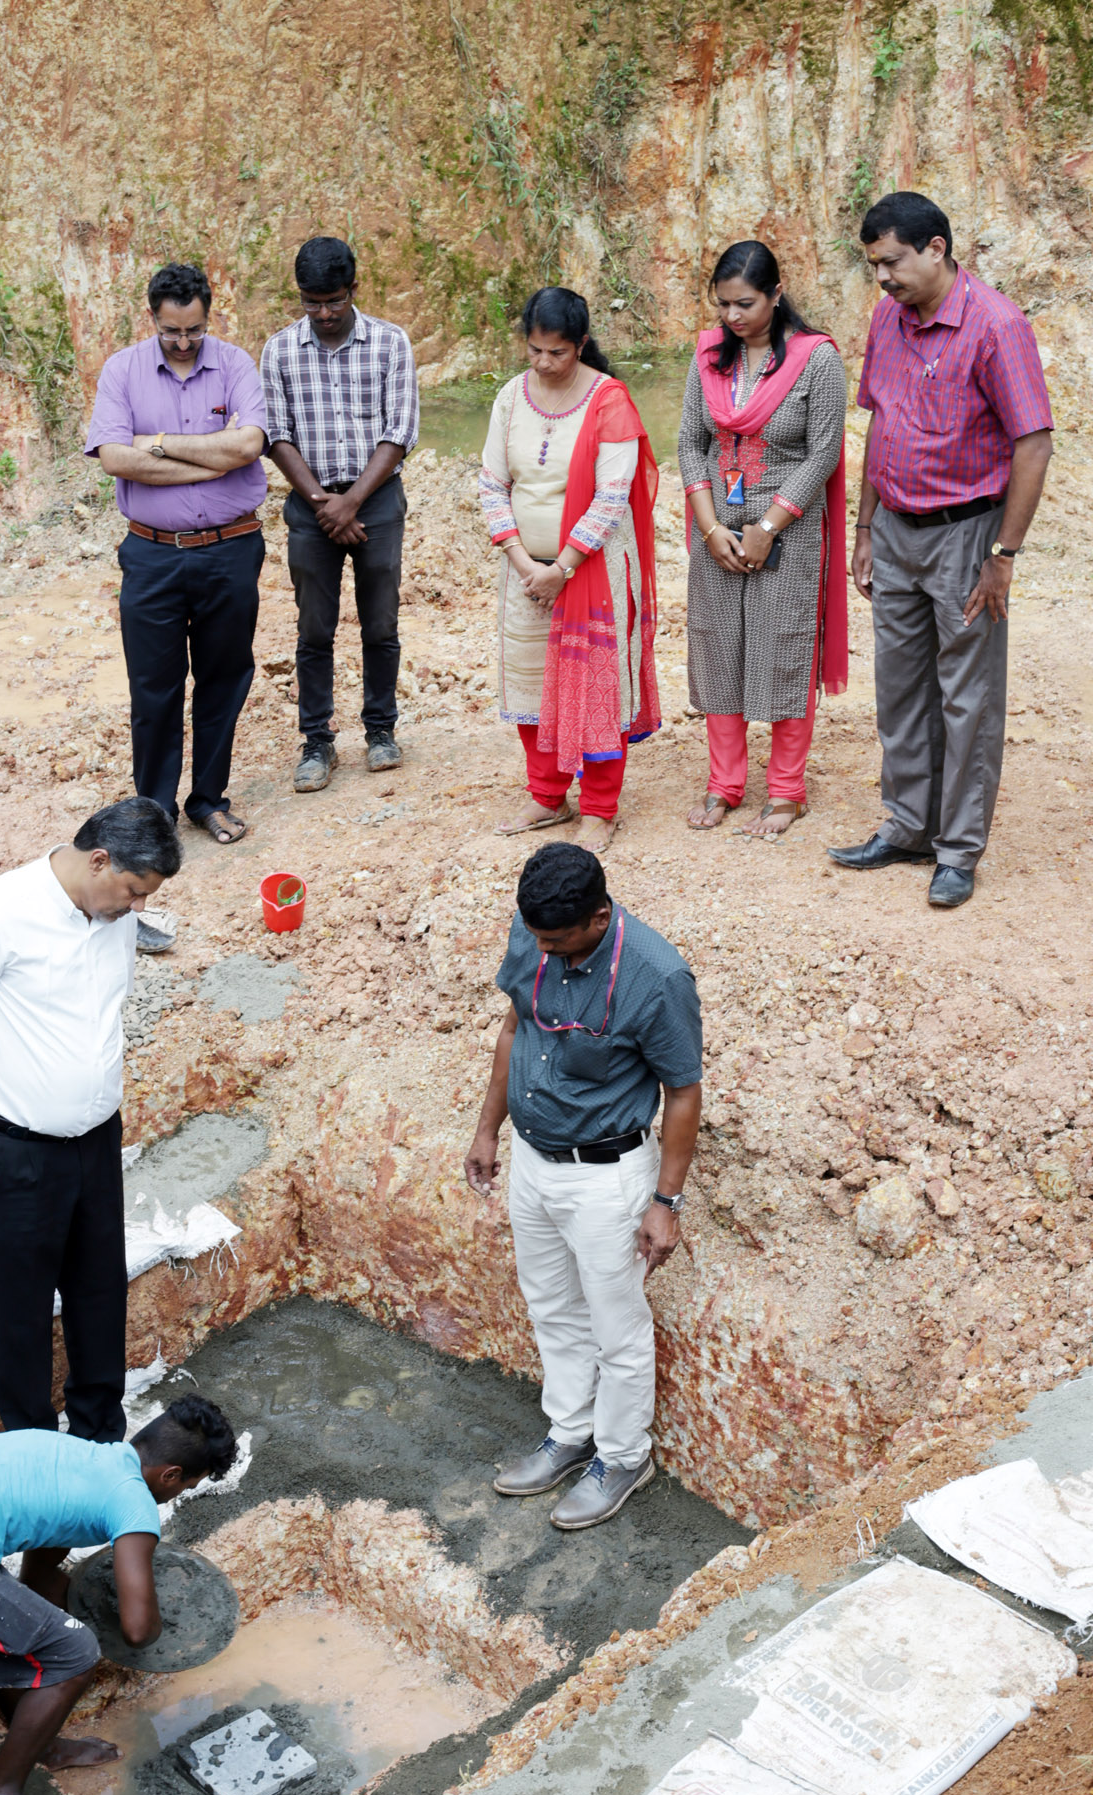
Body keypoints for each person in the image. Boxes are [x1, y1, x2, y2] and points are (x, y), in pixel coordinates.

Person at [0, 799, 181, 1443]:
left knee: (98, 1290)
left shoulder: (108, 911)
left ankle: (97, 1437)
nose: (138, 908)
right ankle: (33, 1450)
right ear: (98, 859)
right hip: (12, 1149)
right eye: (133, 890)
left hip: (94, 1140)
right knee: (22, 1307)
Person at [464, 843, 702, 1530]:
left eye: (559, 944)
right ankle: (570, 1433)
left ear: (598, 919)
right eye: (536, 939)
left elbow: (682, 1093)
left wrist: (666, 1202)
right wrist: (488, 1130)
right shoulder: (537, 927)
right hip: (535, 1163)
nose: (544, 952)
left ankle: (624, 1456)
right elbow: (515, 1026)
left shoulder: (657, 978)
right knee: (551, 1306)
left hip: (608, 1178)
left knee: (616, 1328)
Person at [831, 191, 1054, 907]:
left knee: (966, 698)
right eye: (874, 266)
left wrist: (1004, 555)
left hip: (967, 536)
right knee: (900, 690)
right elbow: (880, 426)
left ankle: (957, 851)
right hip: (895, 531)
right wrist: (865, 529)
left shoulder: (996, 326)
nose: (884, 278)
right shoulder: (888, 319)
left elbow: (1033, 443)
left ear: (935, 249)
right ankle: (907, 827)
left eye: (892, 261)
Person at [0, 1396, 236, 1795]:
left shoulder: (85, 1459)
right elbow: (140, 1631)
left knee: (17, 1632)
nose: (174, 1498)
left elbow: (36, 1577)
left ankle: (46, 1747)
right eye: (185, 1488)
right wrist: (167, 1617)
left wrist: (76, 1611)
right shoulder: (133, 1502)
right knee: (75, 1653)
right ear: (171, 1474)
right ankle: (3, 1791)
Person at [86, 262, 268, 845]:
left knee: (223, 676)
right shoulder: (122, 370)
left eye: (194, 330)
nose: (185, 342)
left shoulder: (236, 364)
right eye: (172, 332)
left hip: (230, 549)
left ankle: (209, 798)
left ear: (208, 317)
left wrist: (159, 445)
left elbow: (249, 445)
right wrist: (214, 458)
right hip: (152, 554)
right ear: (154, 319)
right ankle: (155, 810)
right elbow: (115, 458)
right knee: (154, 685)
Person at [478, 287, 661, 856]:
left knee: (596, 687)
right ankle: (547, 793)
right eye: (534, 350)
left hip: (593, 569)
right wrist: (522, 561)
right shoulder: (511, 397)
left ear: (580, 345)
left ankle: (601, 809)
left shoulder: (610, 401)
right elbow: (491, 482)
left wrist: (562, 566)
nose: (543, 363)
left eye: (556, 352)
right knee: (532, 678)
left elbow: (611, 497)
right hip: (526, 570)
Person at [679, 241, 848, 837]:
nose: (732, 317)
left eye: (745, 303)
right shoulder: (707, 357)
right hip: (716, 525)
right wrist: (711, 529)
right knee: (720, 645)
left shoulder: (817, 359)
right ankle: (724, 784)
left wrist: (768, 526)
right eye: (723, 304)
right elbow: (690, 445)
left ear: (777, 294)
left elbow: (823, 450)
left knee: (783, 647)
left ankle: (785, 792)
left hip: (790, 526)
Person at [261, 237, 419, 793]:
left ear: (354, 289)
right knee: (314, 628)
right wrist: (324, 505)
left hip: (374, 502)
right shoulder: (279, 351)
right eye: (312, 302)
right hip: (311, 505)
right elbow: (275, 435)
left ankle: (380, 731)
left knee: (380, 624)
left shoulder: (390, 343)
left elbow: (398, 432)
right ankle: (317, 742)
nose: (324, 313)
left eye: (333, 300)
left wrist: (350, 502)